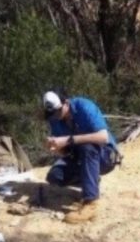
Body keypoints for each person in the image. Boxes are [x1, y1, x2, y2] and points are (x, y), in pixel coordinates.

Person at [43, 91, 120, 224]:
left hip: (105, 155)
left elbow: (103, 137)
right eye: (52, 114)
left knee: (87, 147)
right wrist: (57, 148)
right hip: (81, 158)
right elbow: (67, 151)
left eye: (57, 112)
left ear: (66, 103)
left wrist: (69, 139)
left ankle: (91, 203)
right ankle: (90, 182)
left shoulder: (84, 106)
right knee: (55, 176)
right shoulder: (56, 121)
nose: (55, 116)